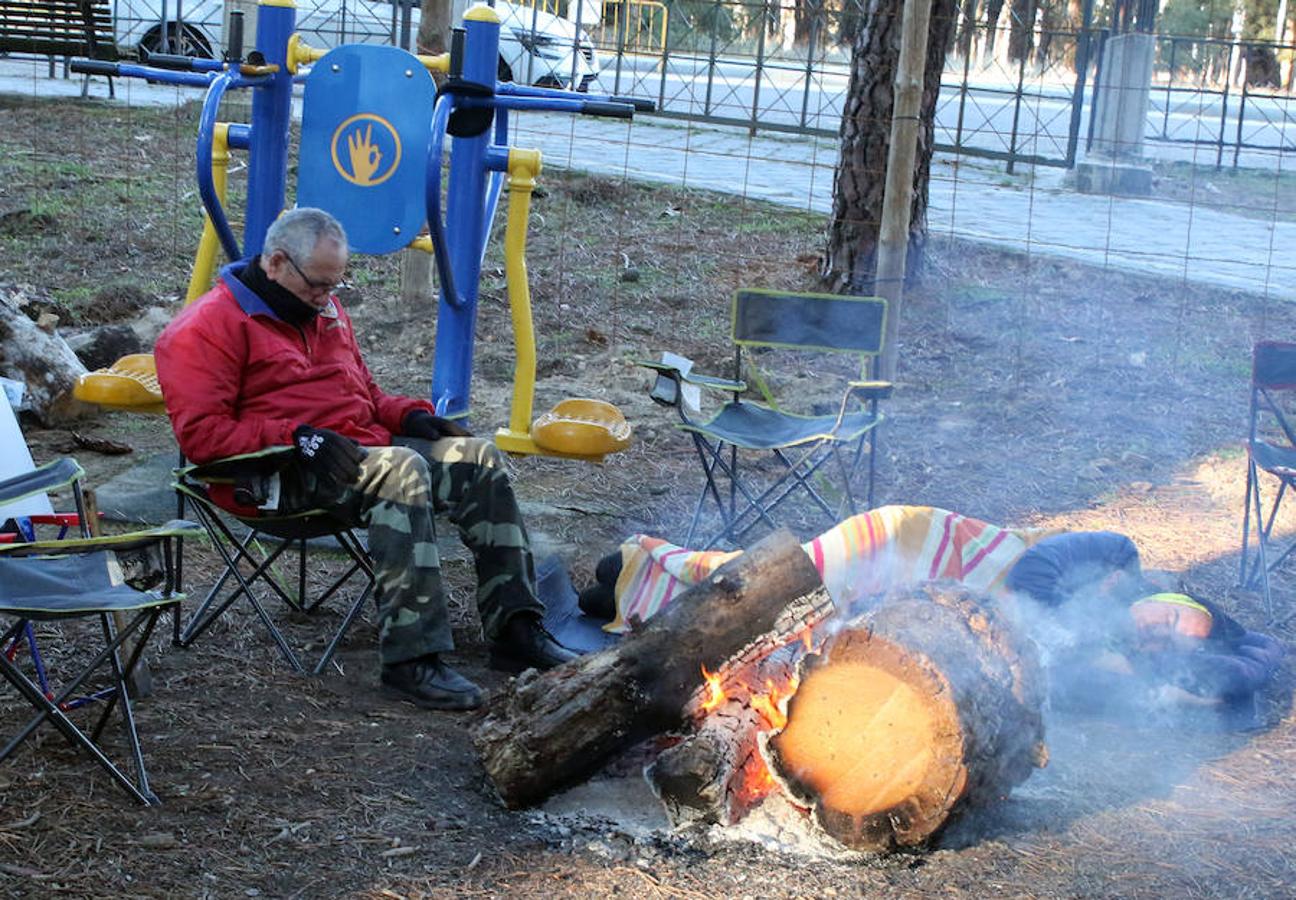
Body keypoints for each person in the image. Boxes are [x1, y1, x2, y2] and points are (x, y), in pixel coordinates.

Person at [154, 207, 576, 711]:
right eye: (318, 285)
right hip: (271, 476)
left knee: (477, 459)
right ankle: (410, 659)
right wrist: (299, 438)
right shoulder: (204, 328)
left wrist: (413, 418)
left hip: (349, 455)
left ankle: (516, 628)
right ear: (275, 264)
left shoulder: (322, 310)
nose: (327, 298)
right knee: (400, 470)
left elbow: (364, 396)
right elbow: (202, 437)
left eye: (335, 285)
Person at [1005, 531, 1283, 728]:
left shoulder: (1116, 665)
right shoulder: (1116, 554)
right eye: (1169, 621)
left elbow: (1243, 672)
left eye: (1168, 644)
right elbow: (1029, 575)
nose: (1155, 634)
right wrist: (1090, 628)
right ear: (1163, 596)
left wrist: (1173, 693)